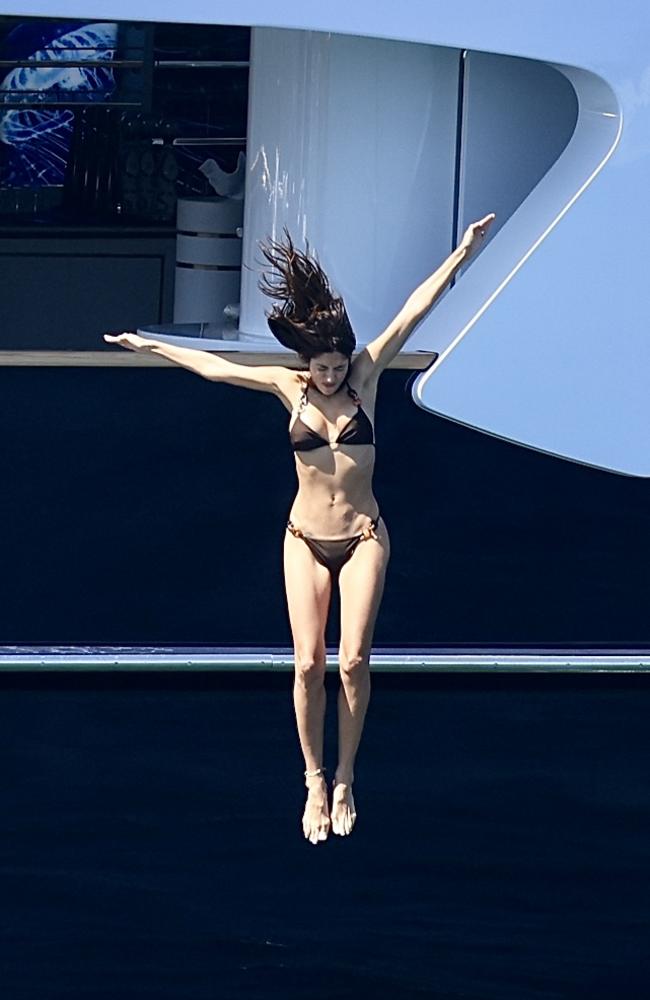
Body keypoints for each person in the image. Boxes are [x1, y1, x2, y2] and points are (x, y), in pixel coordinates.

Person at [104, 212, 495, 845]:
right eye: (325, 367)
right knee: (308, 663)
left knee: (353, 662)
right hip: (304, 539)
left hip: (365, 534)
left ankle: (345, 776)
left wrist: (463, 252)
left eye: (340, 365)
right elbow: (214, 369)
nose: (334, 375)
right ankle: (312, 776)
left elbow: (414, 310)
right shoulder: (290, 389)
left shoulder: (367, 377)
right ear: (307, 363)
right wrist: (151, 345)